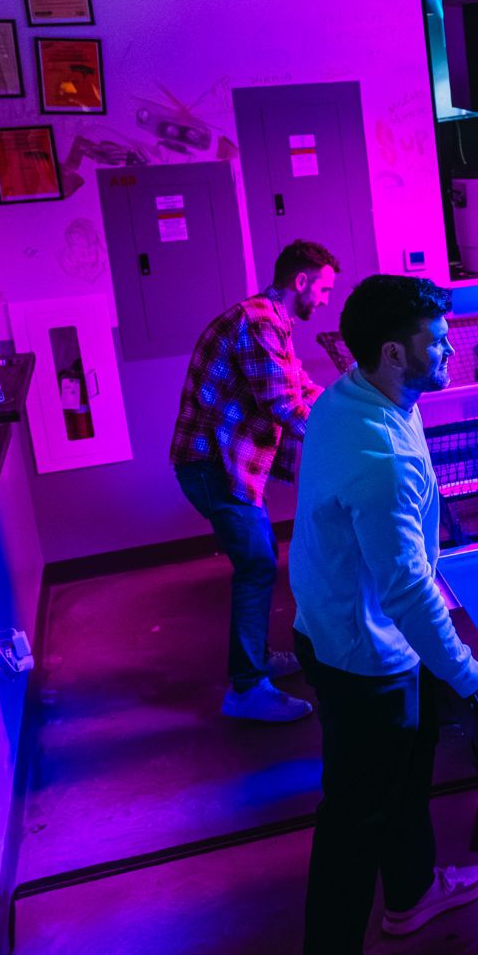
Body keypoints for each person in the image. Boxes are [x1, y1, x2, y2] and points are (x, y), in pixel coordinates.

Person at [289, 274, 478, 955]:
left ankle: (413, 893)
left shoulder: (356, 394)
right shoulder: (381, 456)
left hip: (343, 627)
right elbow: (402, 585)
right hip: (363, 652)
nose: (451, 346)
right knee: (351, 826)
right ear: (395, 352)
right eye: (437, 339)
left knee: (407, 768)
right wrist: (469, 671)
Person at [169, 238, 338, 723]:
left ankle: (255, 660)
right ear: (300, 281)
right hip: (212, 467)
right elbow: (283, 405)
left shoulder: (273, 322)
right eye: (323, 289)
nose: (324, 300)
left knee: (260, 559)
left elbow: (299, 385)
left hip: (224, 466)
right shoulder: (258, 322)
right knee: (258, 564)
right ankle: (245, 688)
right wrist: (342, 435)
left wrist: (346, 409)